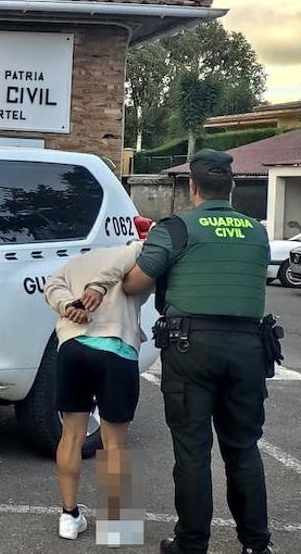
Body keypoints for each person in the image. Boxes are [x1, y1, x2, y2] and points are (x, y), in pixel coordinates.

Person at [122, 149, 273, 554]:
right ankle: (257, 545)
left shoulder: (177, 228)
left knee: (192, 450)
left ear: (192, 186)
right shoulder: (256, 232)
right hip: (247, 348)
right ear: (233, 185)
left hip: (192, 347)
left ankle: (191, 543)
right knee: (243, 448)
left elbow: (135, 283)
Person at [44, 242, 147, 544]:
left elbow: (51, 285)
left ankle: (69, 515)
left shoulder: (77, 262)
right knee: (115, 441)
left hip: (73, 347)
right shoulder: (136, 252)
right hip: (117, 347)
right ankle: (118, 528)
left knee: (72, 434)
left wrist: (67, 306)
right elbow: (139, 250)